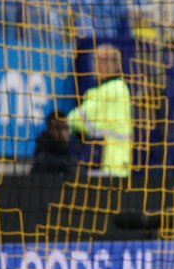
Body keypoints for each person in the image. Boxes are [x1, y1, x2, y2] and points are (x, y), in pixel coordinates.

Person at [67, 44, 132, 178]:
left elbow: (74, 119)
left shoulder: (113, 89)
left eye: (102, 61)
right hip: (109, 166)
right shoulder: (109, 89)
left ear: (114, 65)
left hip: (108, 166)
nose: (97, 66)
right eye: (96, 61)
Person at [31, 110, 75, 175]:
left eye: (67, 128)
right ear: (51, 129)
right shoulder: (43, 144)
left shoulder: (71, 144)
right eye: (62, 128)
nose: (66, 133)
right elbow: (42, 161)